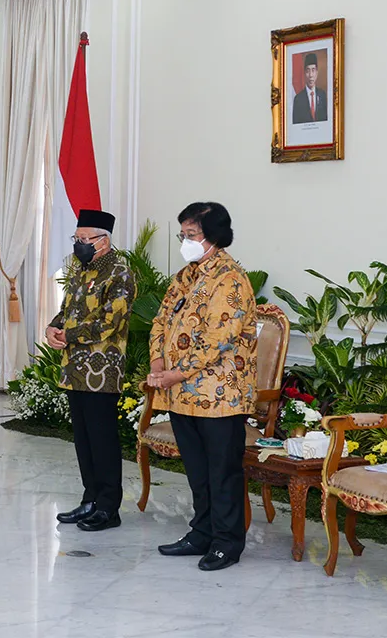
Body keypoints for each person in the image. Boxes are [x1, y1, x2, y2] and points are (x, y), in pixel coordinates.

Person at [148, 202, 258, 571]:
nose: (186, 241)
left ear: (213, 236)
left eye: (191, 235)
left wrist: (176, 374)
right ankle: (202, 532)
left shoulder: (231, 278)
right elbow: (161, 319)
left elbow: (217, 340)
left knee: (222, 471)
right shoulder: (186, 275)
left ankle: (228, 541)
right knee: (197, 470)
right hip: (181, 394)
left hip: (218, 395)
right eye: (183, 235)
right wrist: (158, 362)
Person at [47, 209, 136, 532]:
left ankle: (109, 507)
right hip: (75, 368)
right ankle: (90, 499)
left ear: (104, 240)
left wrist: (67, 335)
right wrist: (52, 328)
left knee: (103, 439)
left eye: (85, 239)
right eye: (77, 239)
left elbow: (110, 323)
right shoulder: (80, 269)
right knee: (83, 439)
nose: (80, 244)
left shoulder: (119, 272)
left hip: (103, 368)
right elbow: (67, 309)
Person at [291, 52, 329, 124]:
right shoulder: (298, 99)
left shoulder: (322, 95)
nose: (311, 75)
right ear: (304, 73)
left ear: (317, 72)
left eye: (313, 70)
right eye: (308, 71)